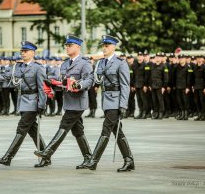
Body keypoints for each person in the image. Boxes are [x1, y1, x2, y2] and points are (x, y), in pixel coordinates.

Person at [34, 35, 94, 169]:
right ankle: (88, 158)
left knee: (64, 125)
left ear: (77, 47)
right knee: (78, 131)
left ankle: (47, 152)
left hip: (78, 102)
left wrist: (79, 85)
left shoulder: (85, 63)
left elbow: (89, 80)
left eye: (70, 45)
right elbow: (61, 80)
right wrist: (51, 82)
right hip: (68, 101)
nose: (67, 48)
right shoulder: (65, 63)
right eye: (66, 45)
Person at [83, 35, 134, 172]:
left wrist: (123, 105)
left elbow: (125, 85)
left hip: (116, 101)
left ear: (114, 47)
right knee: (117, 131)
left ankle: (93, 161)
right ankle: (129, 160)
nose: (104, 48)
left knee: (106, 129)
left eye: (107, 45)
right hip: (106, 100)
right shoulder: (100, 63)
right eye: (103, 45)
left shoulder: (121, 63)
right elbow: (96, 80)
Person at [0, 41, 49, 167]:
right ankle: (47, 156)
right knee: (33, 131)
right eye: (22, 51)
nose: (23, 53)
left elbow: (42, 88)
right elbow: (7, 76)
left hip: (33, 102)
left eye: (26, 51)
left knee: (21, 128)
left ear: (32, 53)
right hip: (23, 101)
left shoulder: (38, 67)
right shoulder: (18, 67)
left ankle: (8, 157)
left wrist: (42, 105)